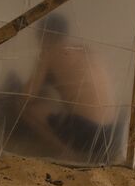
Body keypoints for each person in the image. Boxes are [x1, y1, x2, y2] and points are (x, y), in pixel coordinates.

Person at [9, 13, 119, 162]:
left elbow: (26, 96)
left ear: (45, 35)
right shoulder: (84, 49)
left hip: (90, 133)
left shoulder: (51, 52)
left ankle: (68, 153)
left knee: (24, 108)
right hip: (112, 133)